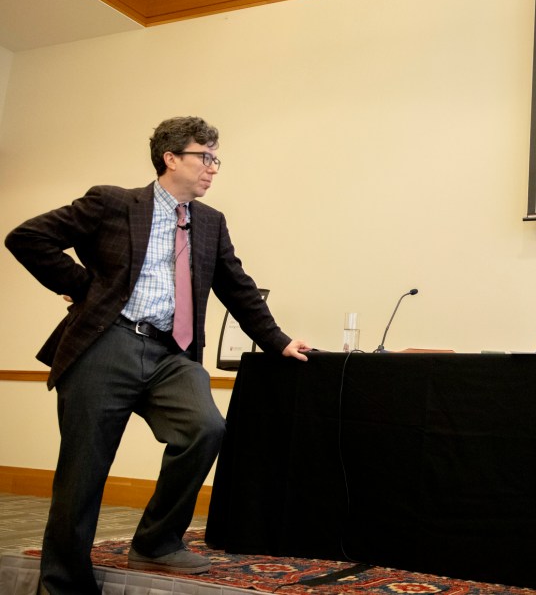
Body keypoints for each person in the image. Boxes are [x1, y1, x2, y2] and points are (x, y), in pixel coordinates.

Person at [5, 117, 312, 595]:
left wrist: (278, 341)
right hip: (107, 343)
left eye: (216, 159)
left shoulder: (210, 222)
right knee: (83, 472)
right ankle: (63, 584)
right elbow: (27, 237)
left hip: (172, 352)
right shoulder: (112, 202)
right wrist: (85, 288)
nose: (213, 168)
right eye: (204, 157)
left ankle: (155, 540)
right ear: (170, 158)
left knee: (205, 428)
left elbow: (237, 286)